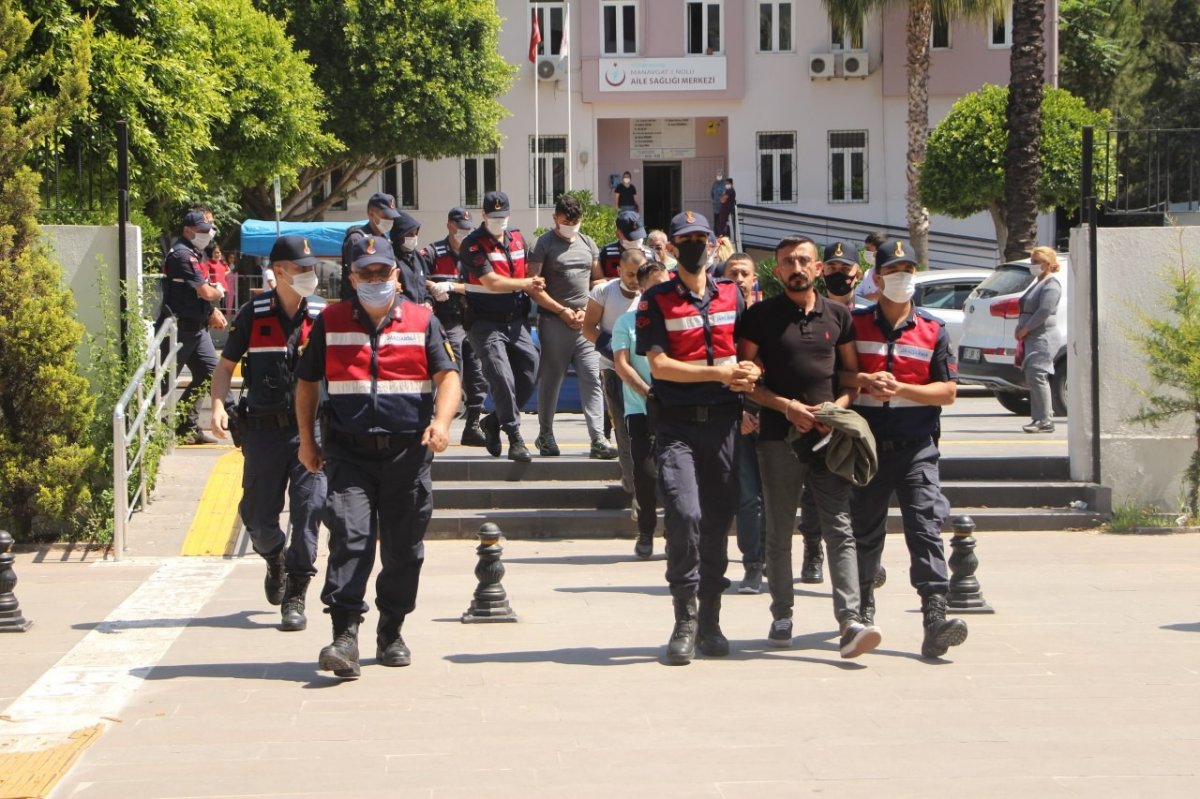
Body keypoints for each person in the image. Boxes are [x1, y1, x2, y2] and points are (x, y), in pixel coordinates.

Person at [295, 234, 460, 679]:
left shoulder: (423, 320)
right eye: (364, 273)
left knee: (405, 549)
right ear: (351, 277)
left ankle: (392, 628)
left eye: (381, 272)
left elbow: (448, 377)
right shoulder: (329, 321)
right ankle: (345, 634)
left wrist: (441, 423)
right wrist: (307, 441)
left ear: (396, 276)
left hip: (408, 453)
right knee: (350, 537)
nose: (374, 279)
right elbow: (307, 384)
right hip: (348, 452)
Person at [738, 235, 882, 658]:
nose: (796, 267)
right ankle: (782, 612)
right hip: (777, 439)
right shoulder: (758, 318)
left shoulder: (838, 316)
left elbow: (851, 377)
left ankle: (850, 621)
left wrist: (833, 412)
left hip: (828, 441)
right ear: (777, 270)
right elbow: (748, 383)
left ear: (818, 268)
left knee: (839, 527)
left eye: (804, 260)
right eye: (788, 262)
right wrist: (788, 408)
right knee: (779, 529)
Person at [636, 210, 762, 666]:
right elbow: (660, 366)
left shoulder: (733, 294)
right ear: (670, 248)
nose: (693, 246)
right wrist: (719, 372)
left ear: (714, 243)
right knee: (685, 514)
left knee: (715, 521)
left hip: (726, 423)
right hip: (678, 425)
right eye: (684, 239)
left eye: (700, 238)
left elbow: (749, 353)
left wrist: (749, 374)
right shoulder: (657, 300)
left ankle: (711, 617)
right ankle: (684, 618)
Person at [846, 238, 968, 660]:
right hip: (867, 447)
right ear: (877, 278)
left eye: (908, 271)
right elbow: (837, 374)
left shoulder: (933, 329)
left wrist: (904, 388)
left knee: (925, 527)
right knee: (864, 530)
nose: (902, 278)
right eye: (894, 271)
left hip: (916, 446)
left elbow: (948, 391)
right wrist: (863, 381)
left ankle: (935, 617)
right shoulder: (855, 324)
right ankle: (861, 608)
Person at [209, 235, 327, 632]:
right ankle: (273, 557)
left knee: (309, 512)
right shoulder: (253, 313)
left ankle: (296, 591)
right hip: (263, 432)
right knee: (257, 518)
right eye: (301, 269)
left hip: (312, 433)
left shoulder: (325, 316)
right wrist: (216, 407)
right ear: (279, 272)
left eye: (312, 268)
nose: (310, 275)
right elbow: (224, 367)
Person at [528, 194, 615, 460]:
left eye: (575, 221)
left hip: (584, 323)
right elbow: (533, 286)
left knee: (591, 377)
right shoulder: (542, 244)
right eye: (566, 221)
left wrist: (586, 311)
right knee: (552, 378)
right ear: (555, 218)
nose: (570, 225)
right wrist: (562, 310)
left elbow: (598, 280)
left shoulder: (588, 243)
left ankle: (598, 439)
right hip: (554, 321)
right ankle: (545, 434)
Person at [459, 190, 544, 462]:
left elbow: (531, 271)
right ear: (483, 215)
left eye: (504, 216)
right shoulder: (472, 245)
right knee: (501, 376)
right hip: (484, 323)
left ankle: (494, 421)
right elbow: (492, 282)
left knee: (531, 370)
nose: (500, 221)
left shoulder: (517, 238)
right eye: (494, 217)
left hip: (515, 321)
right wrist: (526, 284)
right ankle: (514, 435)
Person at [612, 260, 670, 559]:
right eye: (657, 285)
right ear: (643, 288)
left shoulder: (677, 319)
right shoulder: (627, 322)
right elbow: (621, 364)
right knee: (646, 474)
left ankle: (675, 532)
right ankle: (646, 531)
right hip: (641, 408)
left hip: (676, 409)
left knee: (675, 475)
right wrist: (649, 393)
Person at [158, 208, 227, 445]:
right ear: (188, 230)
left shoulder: (195, 253)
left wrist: (211, 311)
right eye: (202, 230)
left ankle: (187, 427)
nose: (207, 234)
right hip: (179, 329)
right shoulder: (182, 255)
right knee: (162, 382)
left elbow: (194, 294)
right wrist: (218, 293)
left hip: (197, 328)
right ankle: (147, 429)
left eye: (208, 230)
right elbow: (206, 291)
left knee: (211, 374)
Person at [422, 207, 489, 446]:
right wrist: (432, 287)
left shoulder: (475, 252)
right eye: (460, 228)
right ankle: (442, 424)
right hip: (446, 320)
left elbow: (482, 283)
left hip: (473, 318)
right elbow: (417, 278)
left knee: (479, 372)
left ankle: (472, 424)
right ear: (450, 226)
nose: (464, 233)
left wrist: (452, 287)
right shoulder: (432, 252)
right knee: (454, 366)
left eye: (468, 230)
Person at [583, 248, 646, 484]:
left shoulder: (649, 293)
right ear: (619, 271)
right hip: (613, 369)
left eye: (639, 274)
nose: (634, 280)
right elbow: (588, 328)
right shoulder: (603, 292)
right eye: (629, 274)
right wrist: (616, 353)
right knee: (622, 425)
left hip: (645, 369)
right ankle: (631, 480)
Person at [723, 254, 766, 594]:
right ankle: (753, 565)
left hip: (772, 417)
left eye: (744, 273)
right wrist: (739, 413)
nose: (738, 278)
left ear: (754, 280)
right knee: (748, 497)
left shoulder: (768, 318)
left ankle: (779, 561)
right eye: (732, 273)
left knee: (775, 498)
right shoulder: (720, 321)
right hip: (733, 420)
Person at [1016, 246, 1062, 434]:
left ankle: (1045, 420)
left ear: (1047, 263)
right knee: (1033, 375)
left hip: (1043, 336)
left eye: (1037, 262)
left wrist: (1026, 327)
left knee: (1037, 374)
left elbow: (1044, 311)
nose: (1033, 265)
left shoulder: (1051, 285)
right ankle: (1039, 418)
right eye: (1032, 261)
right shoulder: (1039, 282)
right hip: (1032, 335)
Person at [340, 192, 402, 301]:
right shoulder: (357, 239)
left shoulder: (385, 240)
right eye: (386, 216)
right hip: (358, 302)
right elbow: (358, 274)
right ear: (371, 214)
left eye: (392, 217)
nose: (390, 220)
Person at [594, 210, 652, 284]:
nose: (636, 240)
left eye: (639, 236)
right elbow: (596, 281)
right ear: (618, 234)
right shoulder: (606, 253)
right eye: (631, 238)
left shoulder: (650, 254)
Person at [389, 211, 430, 306]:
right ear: (399, 235)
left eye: (416, 234)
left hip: (422, 313)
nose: (414, 237)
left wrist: (428, 302)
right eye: (410, 235)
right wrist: (413, 307)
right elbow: (394, 292)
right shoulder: (391, 257)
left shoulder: (418, 257)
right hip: (402, 313)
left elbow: (426, 284)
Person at [855, 231, 888, 303]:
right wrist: (873, 295)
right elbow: (855, 298)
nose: (866, 252)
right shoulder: (868, 273)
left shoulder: (893, 274)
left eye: (868, 249)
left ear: (879, 251)